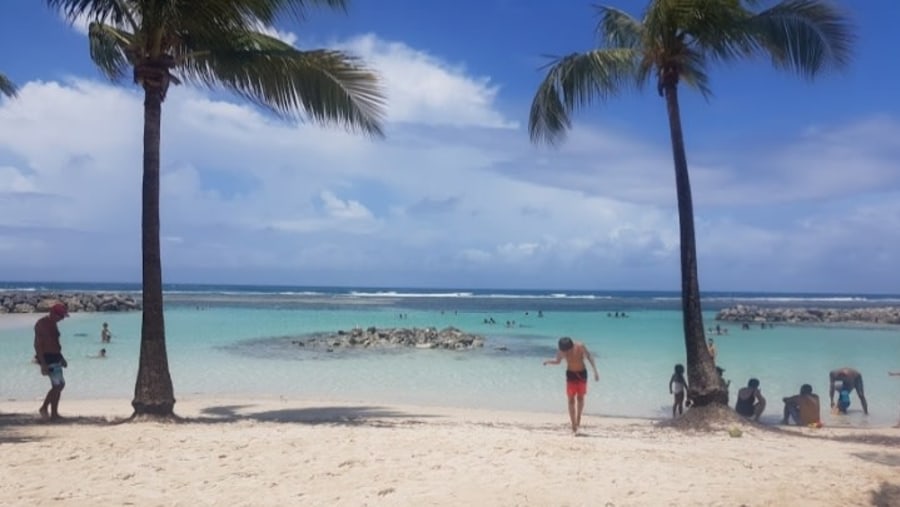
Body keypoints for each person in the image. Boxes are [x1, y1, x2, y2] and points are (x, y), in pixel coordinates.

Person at [543, 337, 600, 434]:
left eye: (567, 350)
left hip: (582, 374)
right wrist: (548, 361)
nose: (565, 352)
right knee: (571, 400)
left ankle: (578, 418)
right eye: (564, 351)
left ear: (571, 346)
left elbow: (589, 357)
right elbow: (558, 361)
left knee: (580, 398)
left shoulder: (580, 346)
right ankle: (573, 425)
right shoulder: (562, 350)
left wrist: (595, 371)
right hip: (570, 375)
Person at [34, 303, 69, 421]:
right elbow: (38, 345)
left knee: (58, 385)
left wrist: (61, 357)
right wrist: (43, 363)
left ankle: (54, 413)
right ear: (54, 313)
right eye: (61, 316)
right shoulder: (41, 324)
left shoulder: (54, 324)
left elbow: (55, 343)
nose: (62, 319)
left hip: (56, 357)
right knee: (59, 385)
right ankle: (44, 407)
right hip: (47, 357)